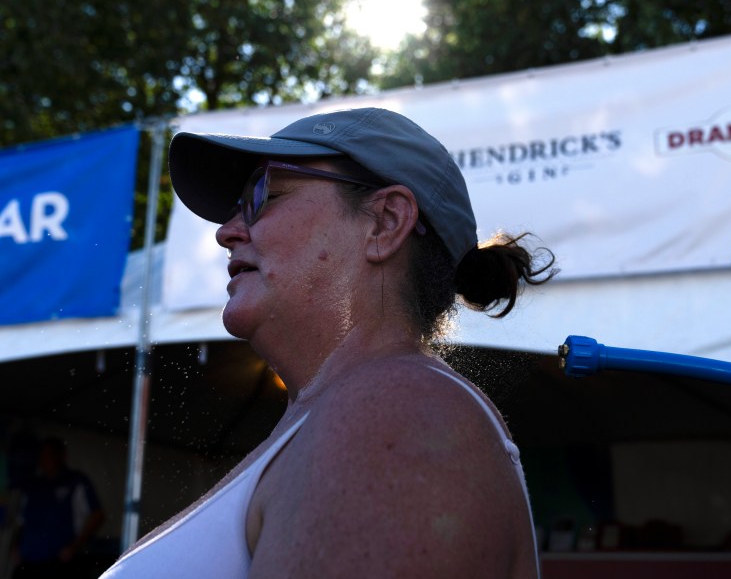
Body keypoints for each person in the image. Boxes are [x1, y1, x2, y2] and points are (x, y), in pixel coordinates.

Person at [101, 107, 556, 578]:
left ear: (384, 222)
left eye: (261, 194)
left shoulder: (395, 413)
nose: (226, 232)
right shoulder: (360, 413)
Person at [12, 437, 105, 579]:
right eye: (42, 456)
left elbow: (97, 515)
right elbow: (21, 522)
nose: (45, 460)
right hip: (29, 562)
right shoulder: (33, 485)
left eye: (49, 455)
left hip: (59, 563)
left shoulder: (75, 481)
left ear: (61, 456)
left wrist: (75, 546)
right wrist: (16, 547)